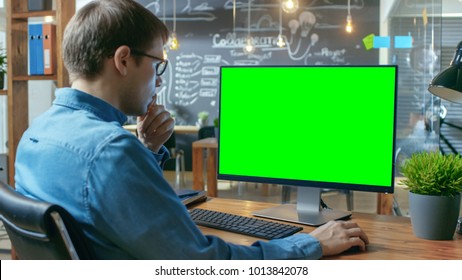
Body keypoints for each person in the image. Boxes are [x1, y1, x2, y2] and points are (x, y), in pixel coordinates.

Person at [14, 0, 368, 259]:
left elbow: (104, 215)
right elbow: (203, 263)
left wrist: (146, 151)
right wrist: (312, 244)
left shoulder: (34, 135)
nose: (158, 83)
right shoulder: (110, 152)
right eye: (157, 66)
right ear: (123, 60)